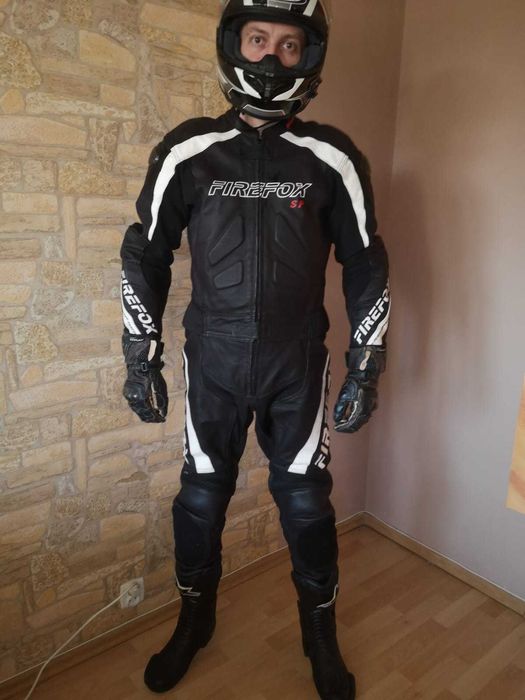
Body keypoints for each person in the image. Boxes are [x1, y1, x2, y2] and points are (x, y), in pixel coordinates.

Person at [120, 1, 390, 698]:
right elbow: (146, 252)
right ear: (232, 44)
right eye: (258, 39)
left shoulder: (333, 156)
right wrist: (139, 354)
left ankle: (318, 633)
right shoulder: (188, 149)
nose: (271, 58)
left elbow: (365, 261)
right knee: (199, 498)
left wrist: (367, 364)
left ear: (310, 57)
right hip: (211, 359)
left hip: (296, 362)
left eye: (289, 45)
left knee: (305, 504)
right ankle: (194, 620)